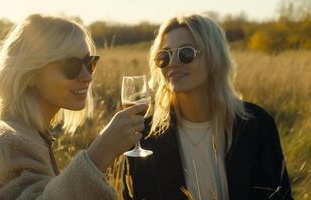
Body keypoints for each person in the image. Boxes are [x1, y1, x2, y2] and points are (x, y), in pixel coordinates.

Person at [0, 14, 147, 200]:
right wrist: (100, 154)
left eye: (89, 63)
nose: (88, 77)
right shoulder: (12, 140)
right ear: (30, 74)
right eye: (71, 66)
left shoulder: (26, 132)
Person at [123, 14, 293, 200]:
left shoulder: (256, 124)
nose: (172, 63)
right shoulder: (145, 137)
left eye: (185, 53)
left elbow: (280, 195)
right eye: (163, 56)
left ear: (214, 57)